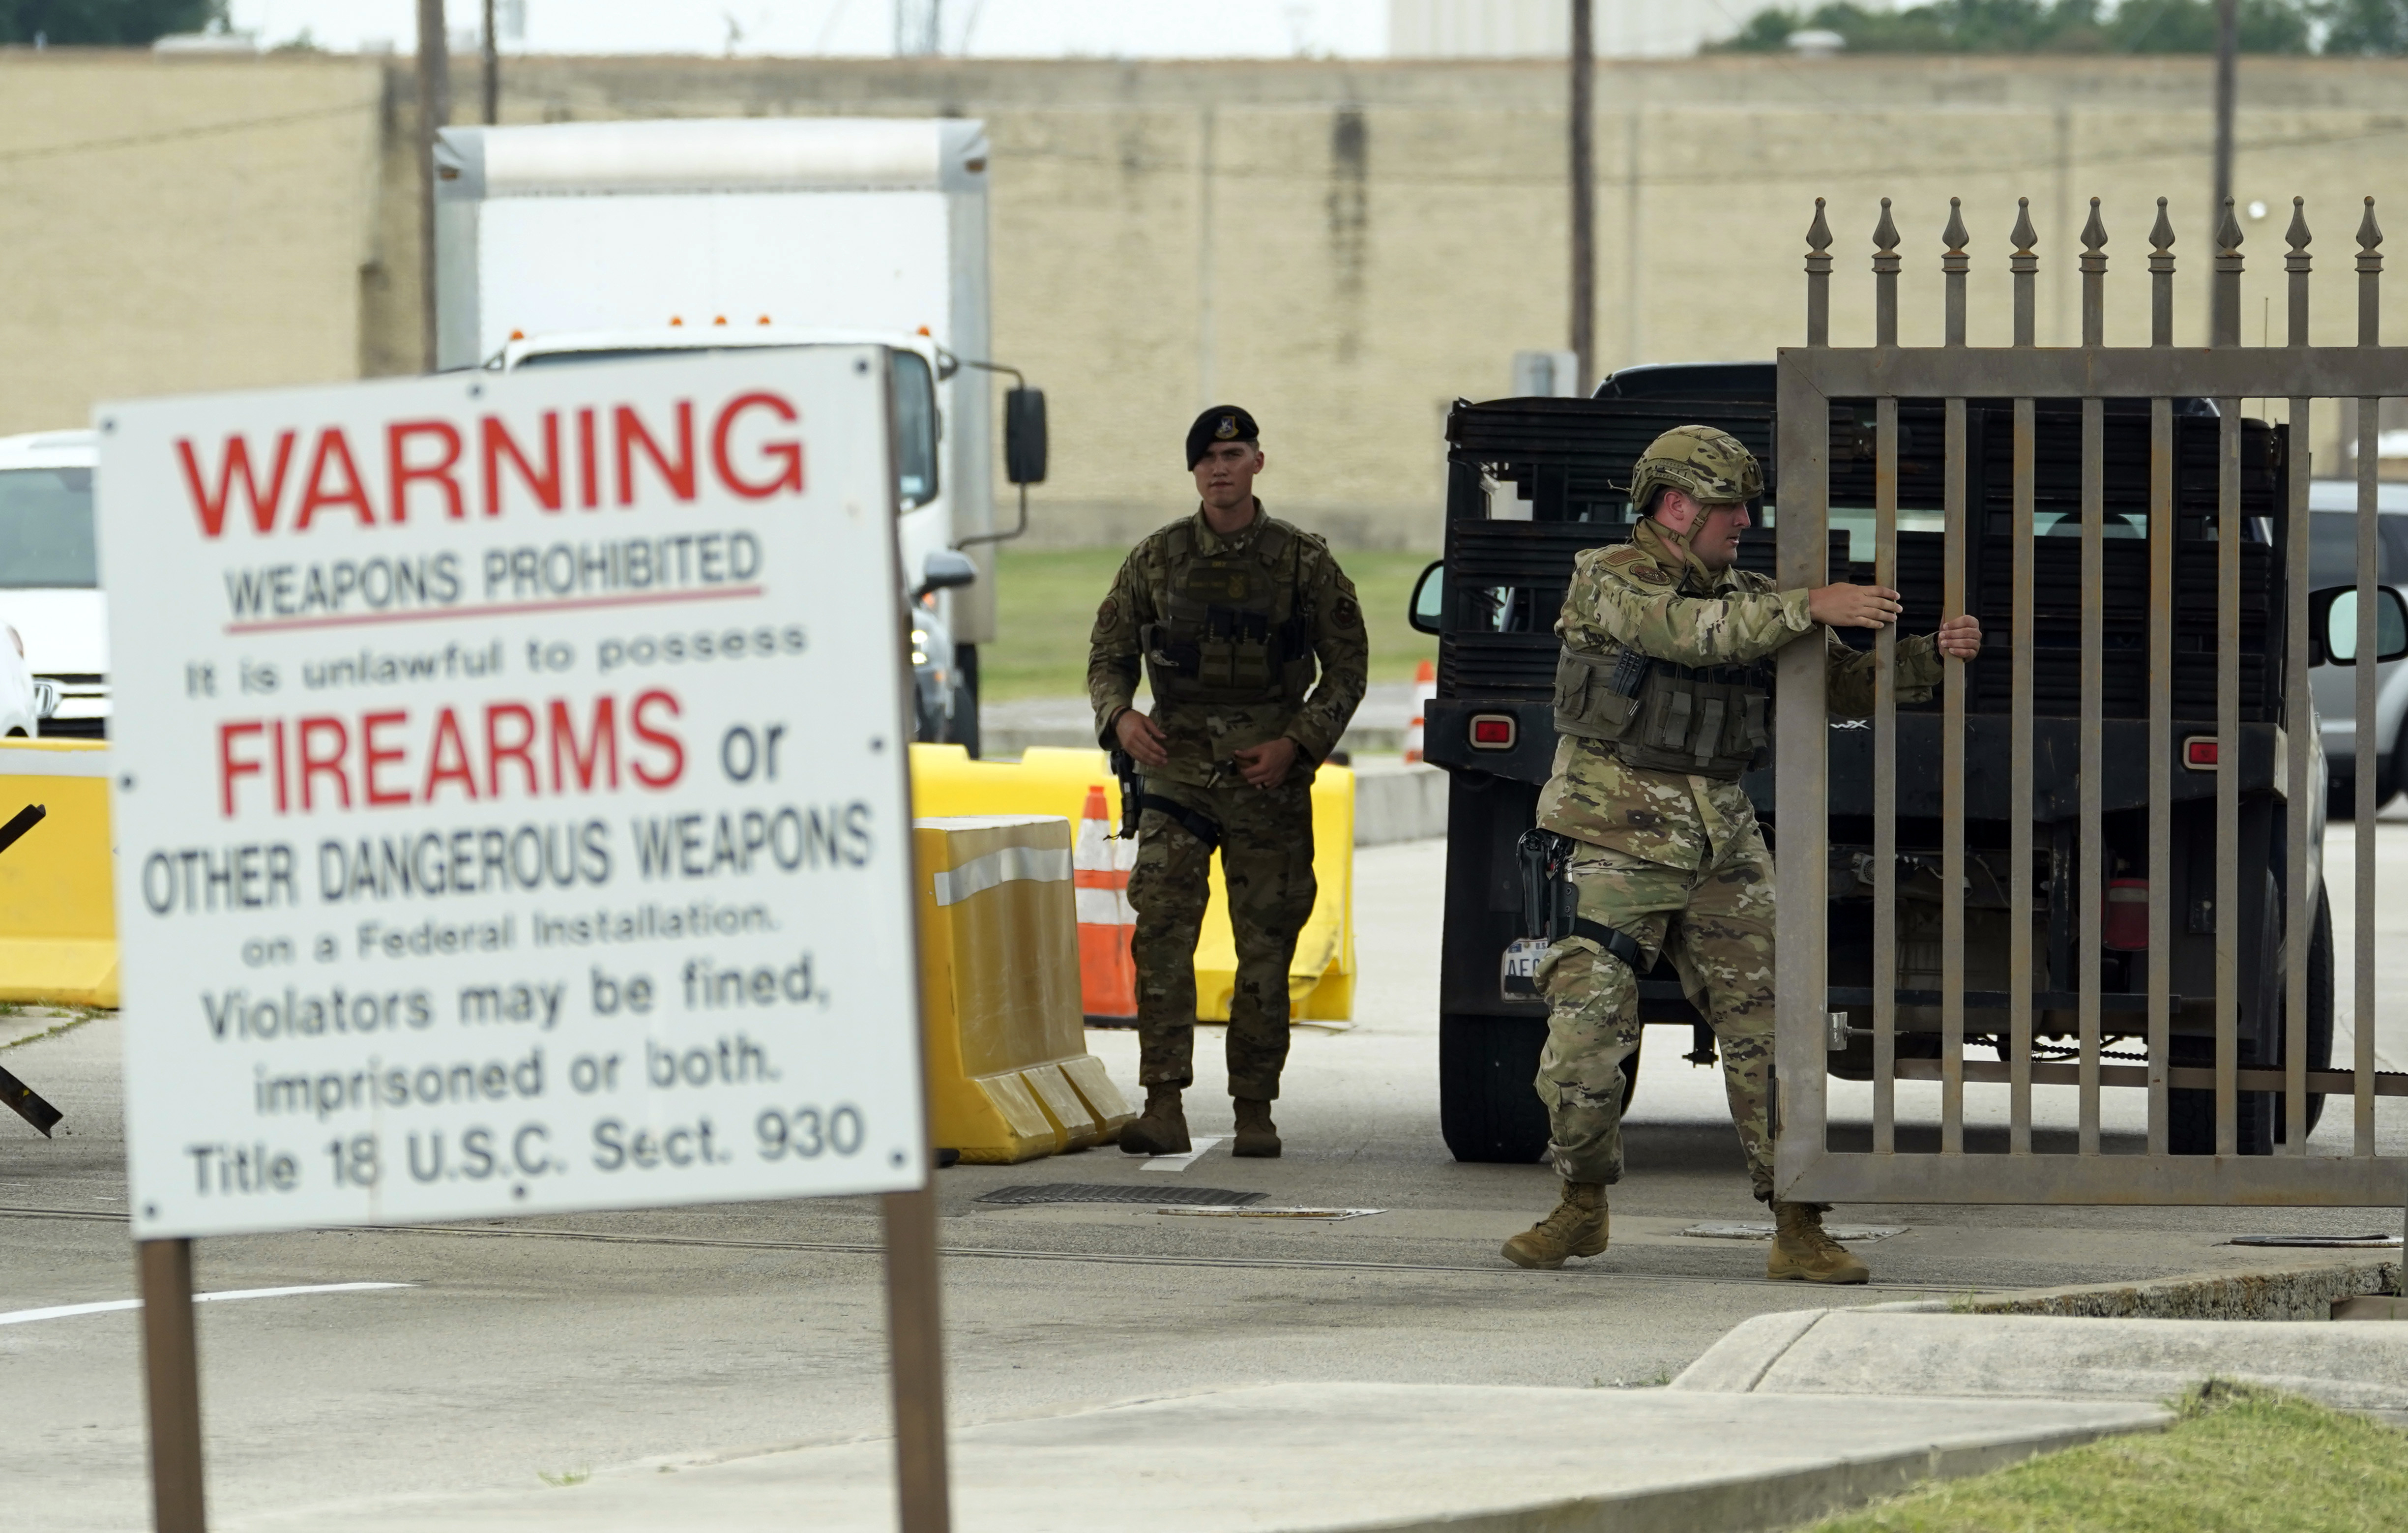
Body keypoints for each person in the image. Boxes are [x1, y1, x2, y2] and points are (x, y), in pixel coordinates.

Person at [1502, 425, 1982, 1283]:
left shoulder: (1758, 596)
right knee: (1586, 1034)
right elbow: (1684, 632)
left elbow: (1836, 683)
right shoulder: (1609, 576)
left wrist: (1927, 659)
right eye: (1729, 506)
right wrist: (1810, 604)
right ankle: (1581, 1201)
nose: (1746, 522)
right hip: (1614, 835)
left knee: (1773, 1031)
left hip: (1721, 840)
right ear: (1675, 506)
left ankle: (1797, 1222)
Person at [1087, 405, 1368, 1158]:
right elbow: (1108, 655)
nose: (1220, 468)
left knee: (1265, 944)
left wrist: (1296, 743)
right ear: (1193, 470)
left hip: (1265, 778)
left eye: (1234, 453)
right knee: (1162, 932)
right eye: (1208, 457)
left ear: (1257, 463)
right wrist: (1120, 717)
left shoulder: (1302, 562)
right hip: (1174, 771)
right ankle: (1162, 1102)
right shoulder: (1156, 558)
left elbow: (1347, 667)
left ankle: (1254, 1109)